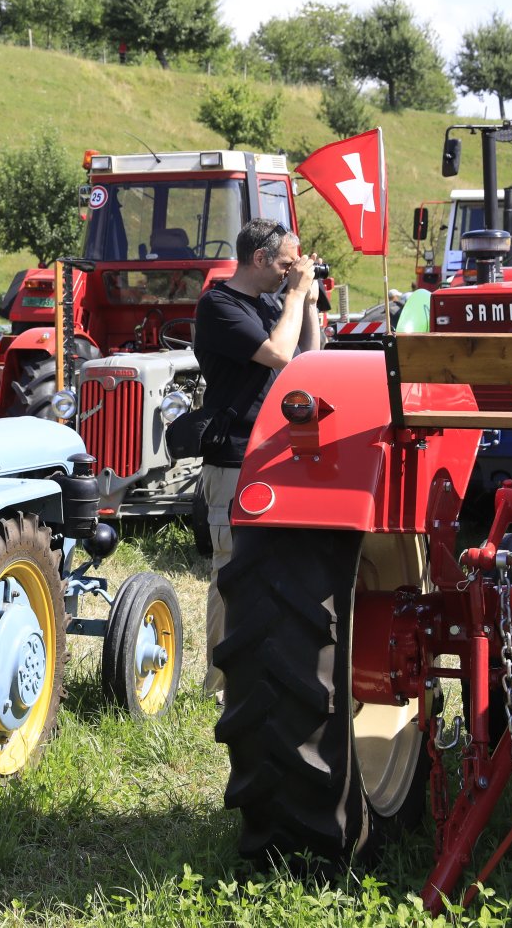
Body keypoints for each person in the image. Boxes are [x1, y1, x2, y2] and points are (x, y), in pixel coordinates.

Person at [193, 219, 320, 699]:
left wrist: (308, 304)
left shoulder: (271, 303)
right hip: (233, 456)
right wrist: (294, 296)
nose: (291, 271)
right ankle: (219, 685)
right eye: (286, 263)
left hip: (275, 450)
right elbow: (280, 355)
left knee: (277, 565)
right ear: (260, 258)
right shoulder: (220, 306)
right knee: (231, 570)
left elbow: (309, 358)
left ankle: (264, 669)